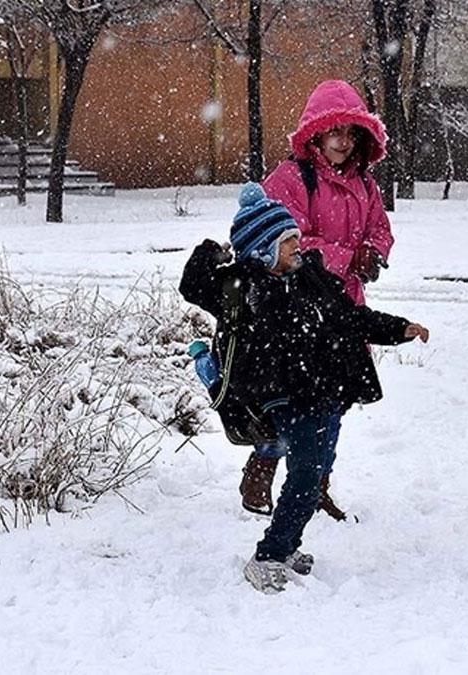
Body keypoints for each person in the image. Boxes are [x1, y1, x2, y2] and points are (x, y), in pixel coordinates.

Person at [179, 183, 429, 593]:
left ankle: (286, 544)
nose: (297, 245)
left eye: (295, 237)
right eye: (287, 240)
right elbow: (193, 285)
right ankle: (268, 556)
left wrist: (399, 328)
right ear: (262, 249)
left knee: (310, 475)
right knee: (306, 476)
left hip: (322, 389)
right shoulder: (242, 288)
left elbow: (354, 317)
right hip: (282, 395)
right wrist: (212, 252)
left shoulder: (313, 279)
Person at [239, 79, 395, 518]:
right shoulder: (291, 178)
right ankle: (263, 467)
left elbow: (380, 229)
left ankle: (315, 484)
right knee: (292, 400)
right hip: (298, 311)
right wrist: (347, 256)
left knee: (337, 401)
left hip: (345, 308)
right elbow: (286, 243)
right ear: (315, 133)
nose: (343, 141)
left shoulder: (366, 184)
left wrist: (375, 253)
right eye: (335, 131)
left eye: (351, 132)